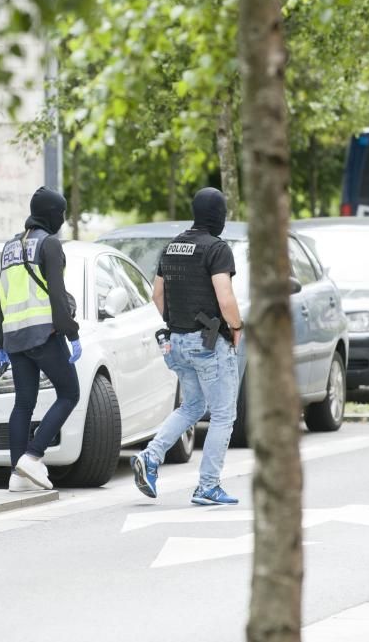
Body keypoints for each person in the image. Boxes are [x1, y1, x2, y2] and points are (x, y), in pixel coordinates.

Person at [130, 187, 244, 505]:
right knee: (223, 414)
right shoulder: (216, 249)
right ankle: (208, 486)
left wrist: (176, 323)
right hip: (208, 343)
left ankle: (150, 458)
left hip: (177, 342)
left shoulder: (173, 246)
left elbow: (157, 294)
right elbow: (225, 296)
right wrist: (236, 326)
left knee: (192, 407)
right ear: (218, 215)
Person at [0, 187, 82, 492]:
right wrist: (72, 333)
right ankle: (32, 456)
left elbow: (0, 300)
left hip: (15, 338)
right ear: (51, 214)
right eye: (60, 212)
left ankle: (17, 476)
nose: (61, 218)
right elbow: (57, 295)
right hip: (44, 335)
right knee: (70, 393)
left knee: (23, 403)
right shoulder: (50, 244)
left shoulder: (9, 248)